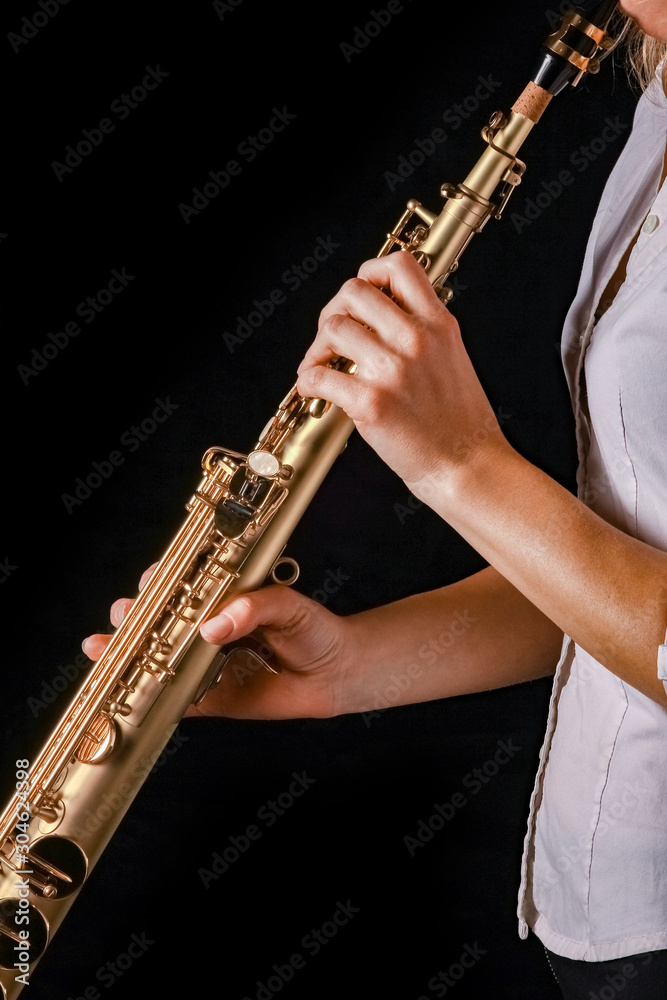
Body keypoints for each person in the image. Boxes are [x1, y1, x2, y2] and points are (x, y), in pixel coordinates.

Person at [84, 1, 667, 996]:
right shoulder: (654, 103)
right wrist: (349, 669)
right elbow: (626, 554)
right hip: (601, 915)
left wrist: (459, 467)